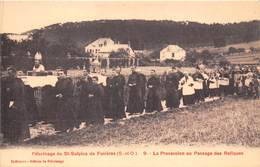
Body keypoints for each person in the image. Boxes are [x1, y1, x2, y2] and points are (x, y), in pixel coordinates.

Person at [1, 66, 30, 143]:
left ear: (14, 73)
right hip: (11, 103)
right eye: (8, 73)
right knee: (11, 120)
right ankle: (11, 136)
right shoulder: (7, 81)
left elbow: (19, 93)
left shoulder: (18, 81)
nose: (9, 74)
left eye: (11, 73)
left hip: (18, 103)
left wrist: (14, 102)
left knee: (18, 120)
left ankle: (19, 136)